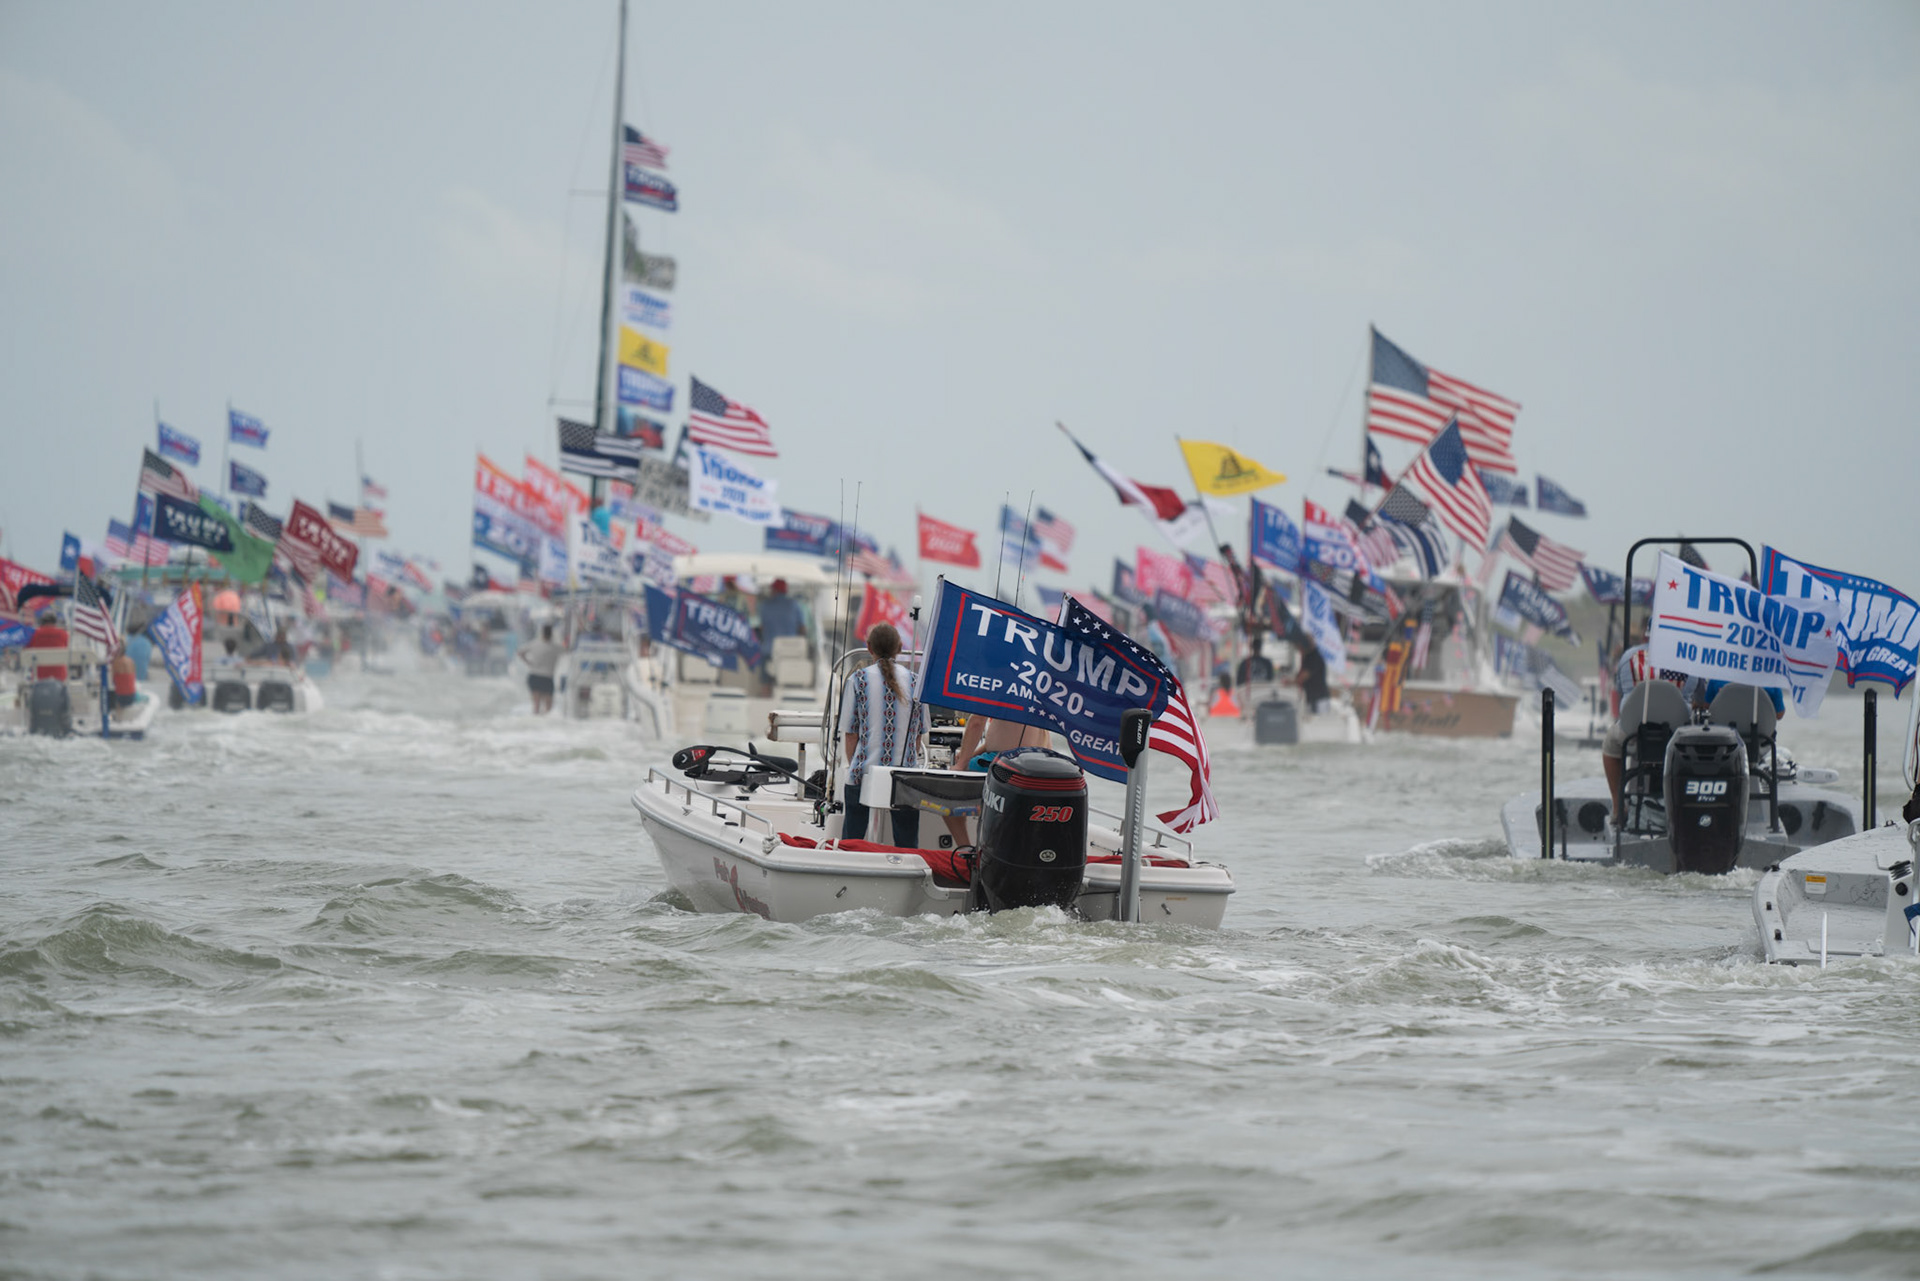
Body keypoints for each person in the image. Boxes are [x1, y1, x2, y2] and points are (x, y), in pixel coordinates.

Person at [1601, 620, 1704, 824]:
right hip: (1678, 735)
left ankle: (1618, 807)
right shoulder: (1689, 660)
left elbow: (1623, 693)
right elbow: (1700, 700)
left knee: (1610, 745)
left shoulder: (1628, 657)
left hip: (1633, 732)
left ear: (1646, 634)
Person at [837, 622, 926, 845]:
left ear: (869, 647)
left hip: (864, 771)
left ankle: (850, 864)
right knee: (907, 842)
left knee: (852, 838)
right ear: (899, 646)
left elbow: (850, 734)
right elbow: (918, 736)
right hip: (905, 778)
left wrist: (855, 766)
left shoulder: (857, 680)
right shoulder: (916, 682)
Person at [518, 624, 563, 715]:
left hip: (534, 676)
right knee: (548, 706)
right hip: (547, 677)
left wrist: (529, 663)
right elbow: (568, 651)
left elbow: (520, 653)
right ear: (552, 634)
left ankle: (536, 721)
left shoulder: (534, 643)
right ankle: (545, 723)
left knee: (536, 705)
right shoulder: (556, 647)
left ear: (542, 633)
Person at [26, 610, 69, 682]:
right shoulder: (63, 634)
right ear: (55, 622)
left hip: (39, 676)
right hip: (60, 676)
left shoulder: (34, 634)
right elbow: (66, 647)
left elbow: (28, 650)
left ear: (42, 622)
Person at [1293, 631, 1330, 713]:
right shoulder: (1308, 657)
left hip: (1319, 699)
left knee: (1318, 722)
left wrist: (1290, 682)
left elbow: (1303, 677)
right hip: (1311, 697)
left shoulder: (1315, 657)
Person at [108, 642, 138, 712]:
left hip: (121, 697)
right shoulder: (131, 661)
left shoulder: (115, 663)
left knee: (108, 693)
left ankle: (112, 715)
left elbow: (111, 681)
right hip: (132, 695)